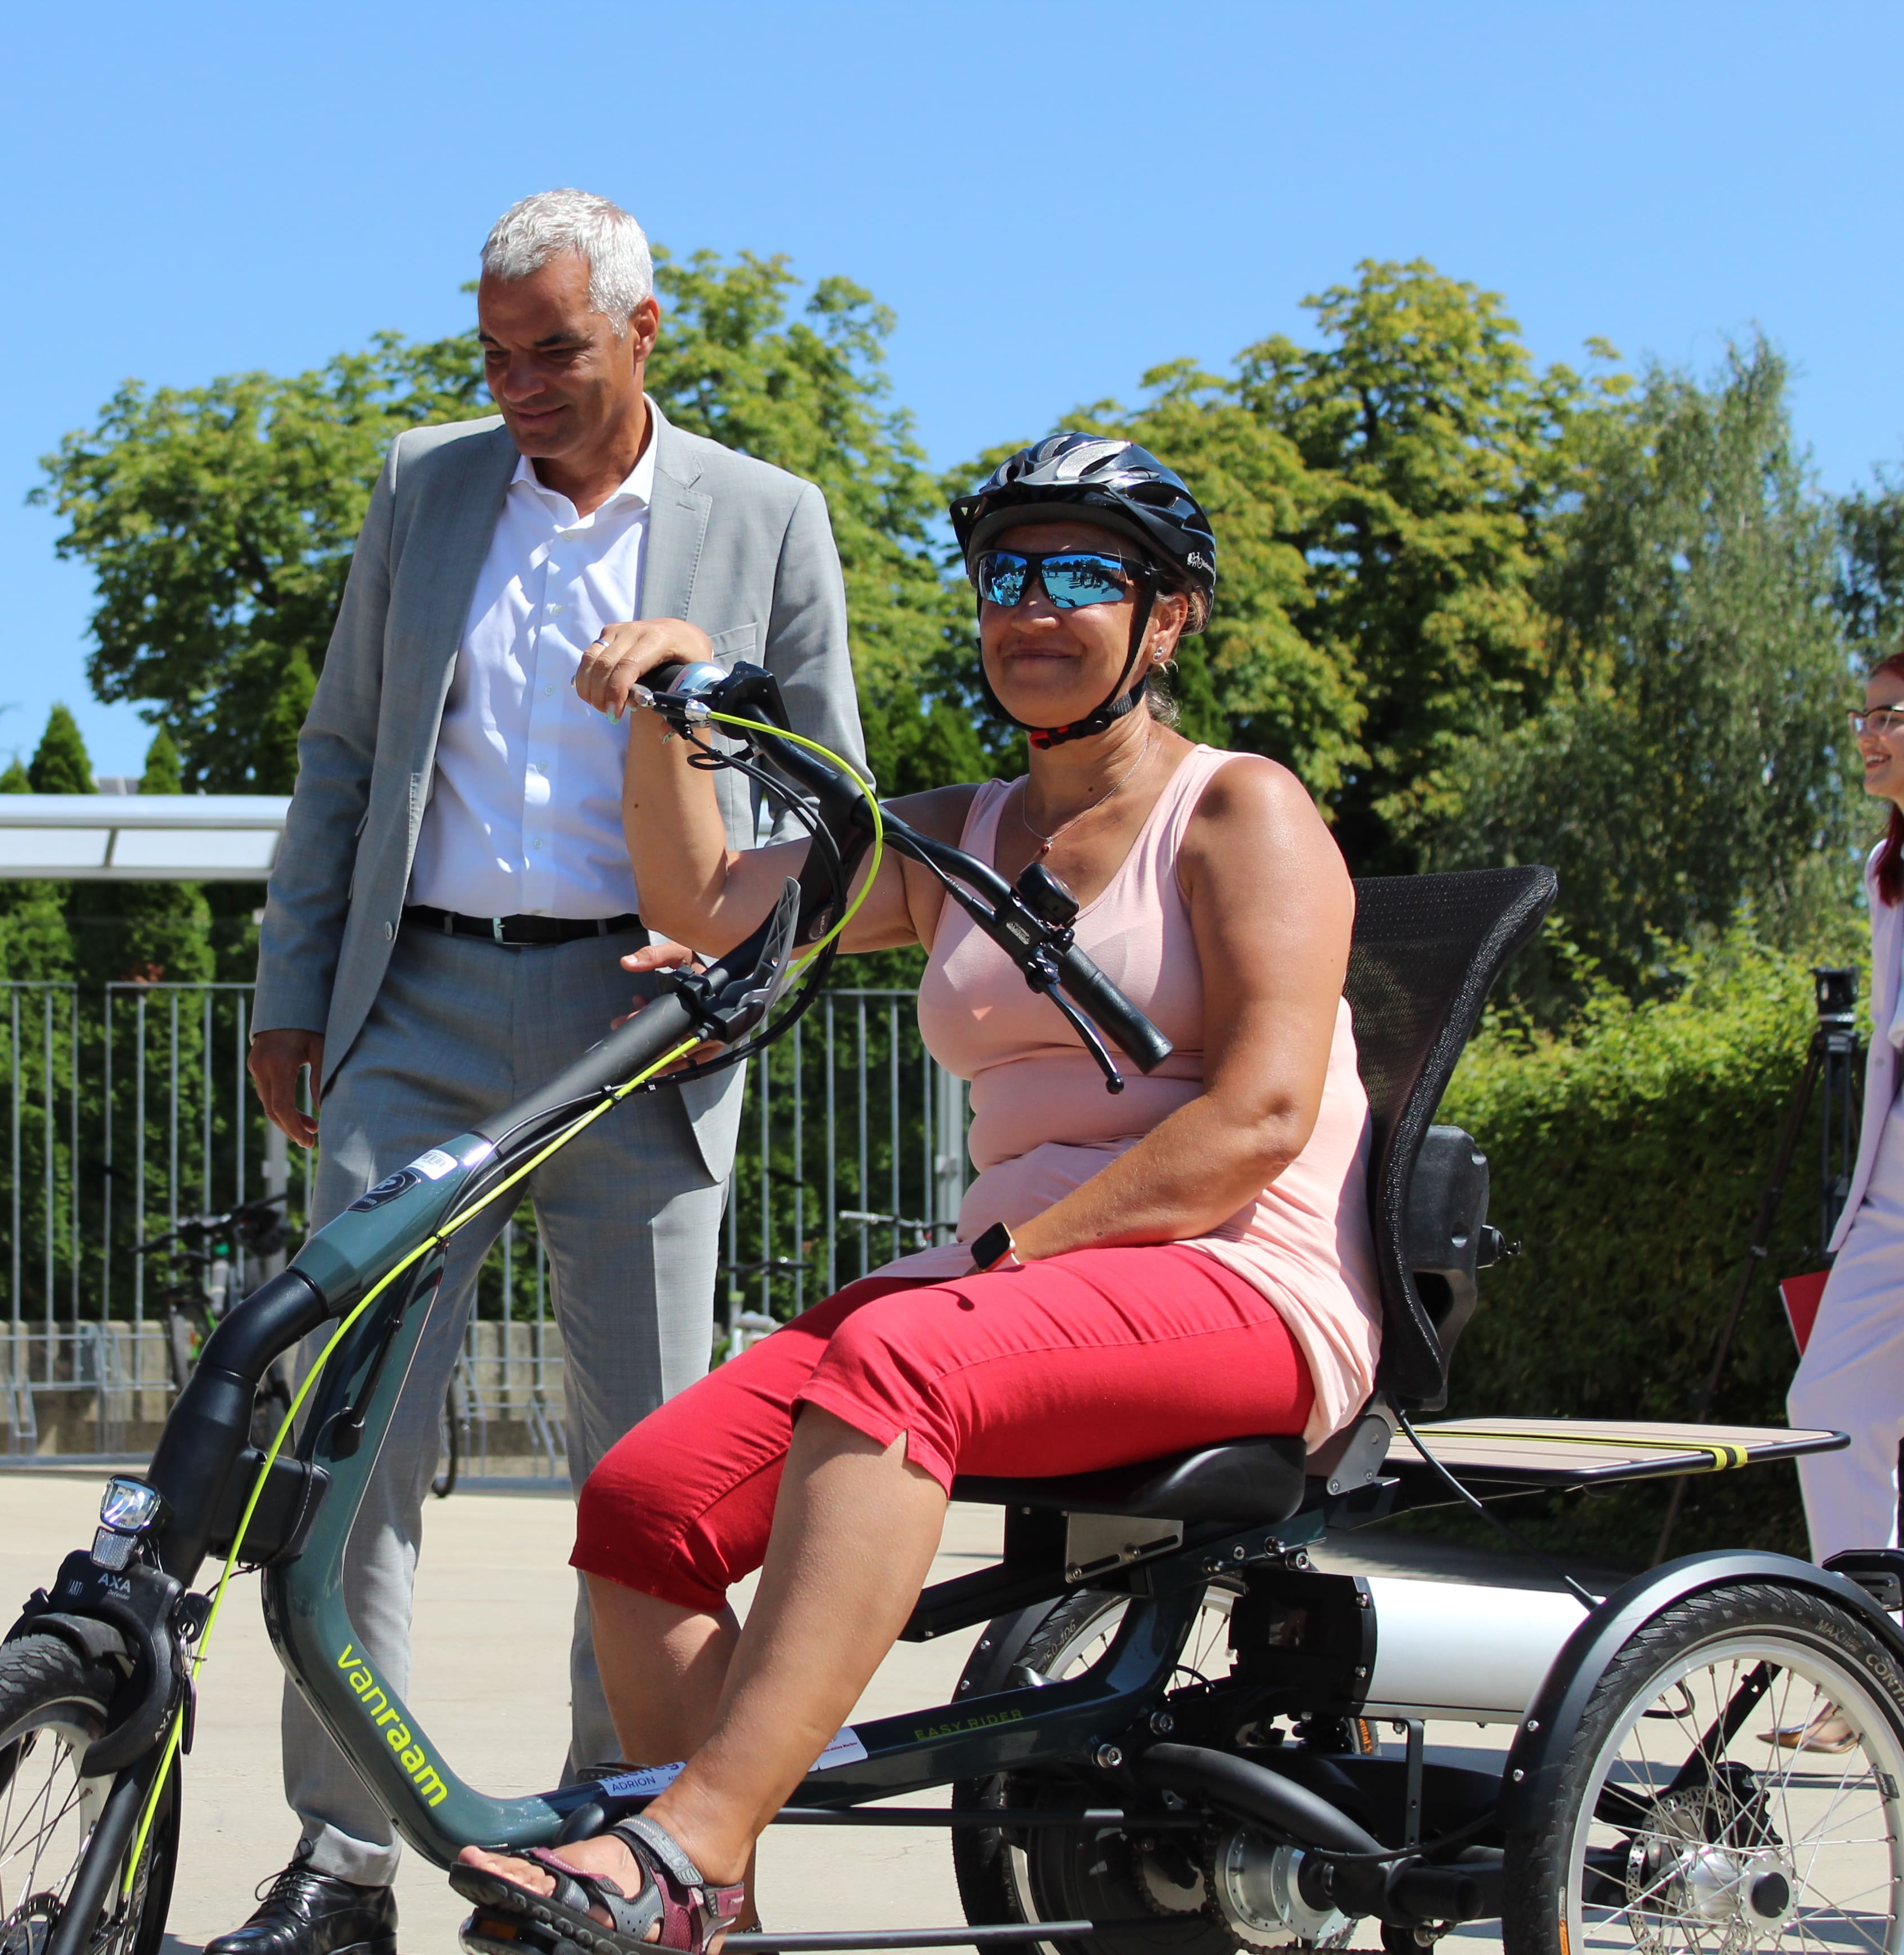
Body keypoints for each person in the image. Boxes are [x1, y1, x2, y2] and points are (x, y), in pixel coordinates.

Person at [450, 436, 1379, 1953]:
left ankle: (685, 1844)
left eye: (1081, 573)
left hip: (1240, 1279)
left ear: (1170, 617)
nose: (1031, 607)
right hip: (1016, 1287)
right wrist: (673, 700)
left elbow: (1261, 1117)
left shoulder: (1238, 812)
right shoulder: (957, 836)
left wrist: (1021, 1255)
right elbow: (703, 905)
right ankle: (711, 1908)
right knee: (646, 1501)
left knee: (898, 1358)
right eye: (1007, 573)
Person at [231, 189, 864, 1955]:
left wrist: (742, 986)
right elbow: (346, 750)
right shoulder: (423, 489)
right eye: (495, 351)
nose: (515, 385)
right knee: (354, 1446)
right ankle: (340, 1864)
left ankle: (601, 1853)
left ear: (646, 333)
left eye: (555, 352)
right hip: (415, 1016)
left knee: (648, 1471)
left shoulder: (767, 517)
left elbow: (834, 800)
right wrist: (298, 993)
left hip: (640, 1025)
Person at [1782, 651, 1904, 1715]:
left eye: (1890, 716)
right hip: (1894, 1186)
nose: (1869, 734)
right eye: (1864, 715)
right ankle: (1867, 1651)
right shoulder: (1884, 868)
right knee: (1829, 1403)